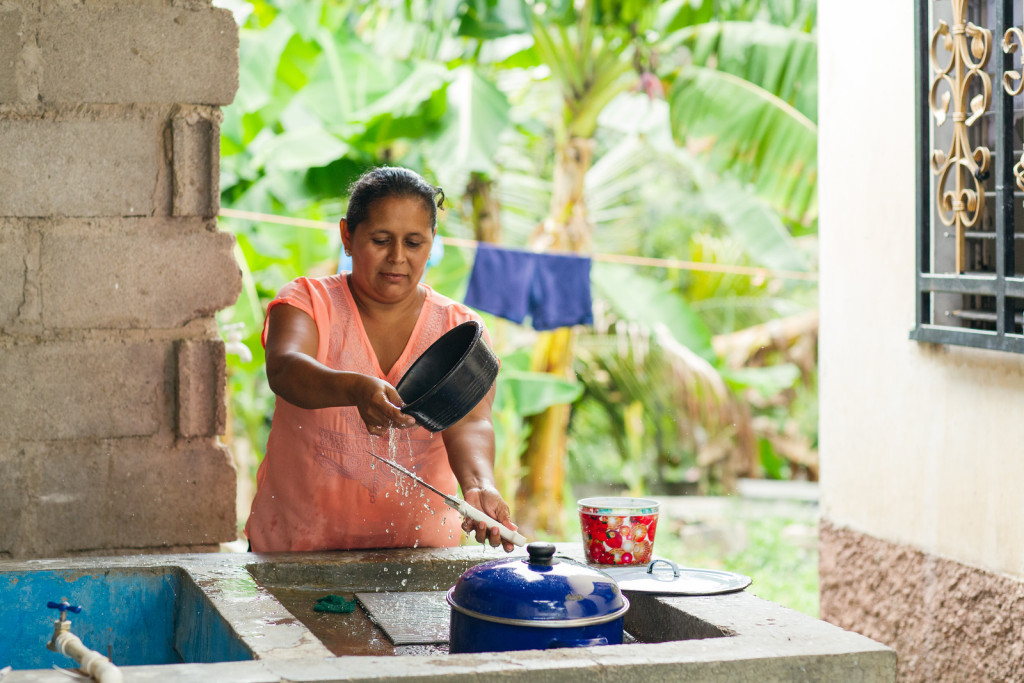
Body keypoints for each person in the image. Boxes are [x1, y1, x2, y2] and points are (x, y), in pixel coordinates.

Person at [245, 166, 518, 553]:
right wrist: (353, 388)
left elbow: (470, 422)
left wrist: (479, 487)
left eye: (414, 242)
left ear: (432, 241)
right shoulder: (306, 302)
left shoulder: (459, 328)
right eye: (380, 240)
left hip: (418, 557)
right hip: (297, 549)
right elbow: (286, 369)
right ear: (347, 236)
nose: (397, 258)